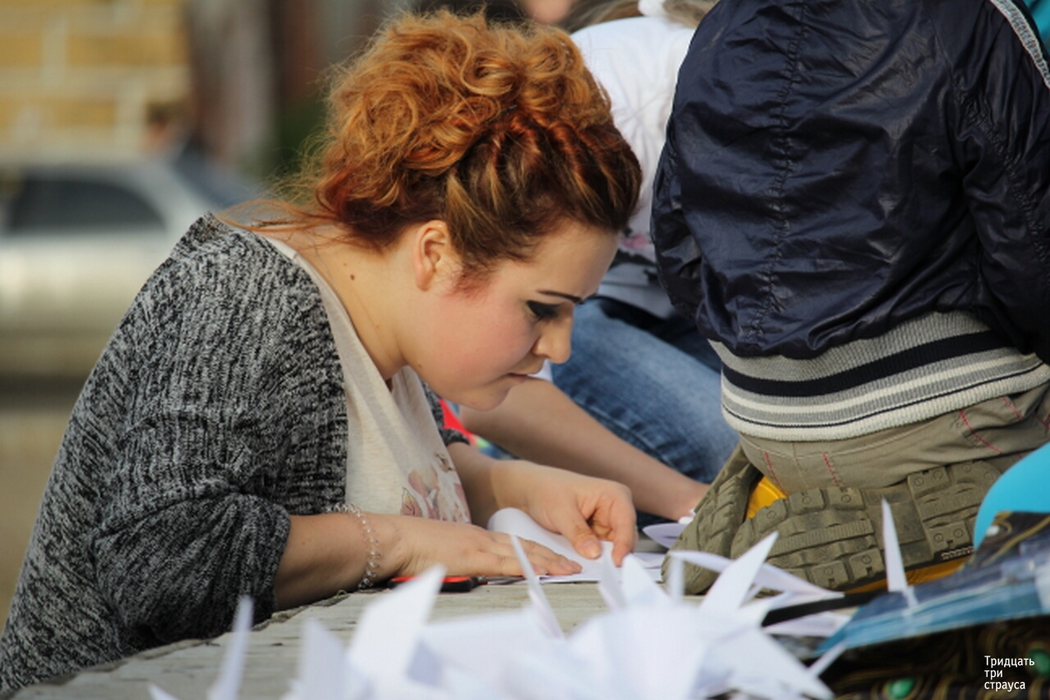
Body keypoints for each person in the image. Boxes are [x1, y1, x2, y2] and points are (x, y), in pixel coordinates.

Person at [0, 11, 642, 692]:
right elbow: (162, 559)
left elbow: (398, 470)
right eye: (543, 308)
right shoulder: (241, 296)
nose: (559, 347)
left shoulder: (390, 329)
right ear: (436, 253)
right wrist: (394, 541)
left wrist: (517, 486)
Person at [654, 0, 1050, 592]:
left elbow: (678, 247)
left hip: (762, 417)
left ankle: (767, 500)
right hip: (932, 415)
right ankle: (940, 516)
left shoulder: (721, 26)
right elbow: (1035, 253)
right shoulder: (970, 18)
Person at [459, 0, 739, 527]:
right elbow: (485, 398)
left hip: (660, 313)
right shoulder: (609, 122)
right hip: (592, 318)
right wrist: (692, 502)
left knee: (779, 441)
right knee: (731, 451)